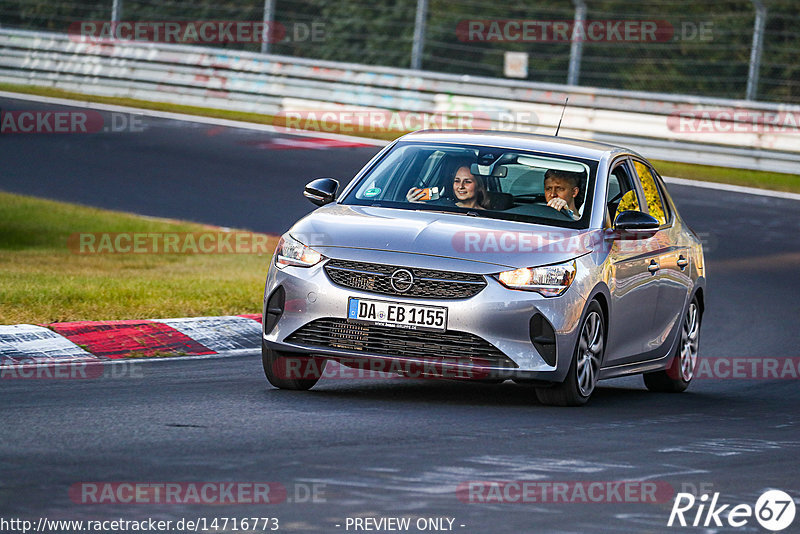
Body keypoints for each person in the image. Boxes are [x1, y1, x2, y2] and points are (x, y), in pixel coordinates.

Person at [406, 165, 490, 210]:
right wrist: (412, 206)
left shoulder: (489, 216)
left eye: (467, 182)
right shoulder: (441, 206)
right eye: (457, 181)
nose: (461, 186)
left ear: (479, 186)